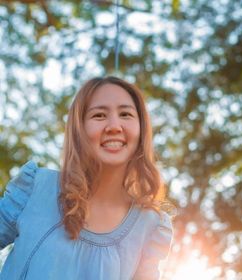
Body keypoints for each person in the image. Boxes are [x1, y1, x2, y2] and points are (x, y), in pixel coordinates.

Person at [0, 76, 173, 280]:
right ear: (79, 129)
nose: (114, 126)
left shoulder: (150, 226)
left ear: (142, 129)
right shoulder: (36, 188)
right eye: (99, 115)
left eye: (126, 114)